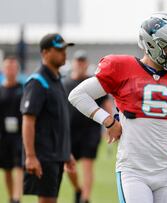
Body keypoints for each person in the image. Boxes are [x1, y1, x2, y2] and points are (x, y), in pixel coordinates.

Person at [68, 12, 167, 203]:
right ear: (152, 45)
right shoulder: (122, 68)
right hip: (134, 171)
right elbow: (77, 95)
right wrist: (109, 121)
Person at [20, 33, 76, 203]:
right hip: (43, 157)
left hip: (56, 155)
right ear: (44, 53)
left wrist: (66, 152)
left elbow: (58, 121)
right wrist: (30, 156)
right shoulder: (38, 82)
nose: (64, 53)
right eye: (59, 49)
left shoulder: (56, 80)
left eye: (65, 49)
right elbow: (28, 120)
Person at [63, 50, 112, 203]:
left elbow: (106, 104)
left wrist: (109, 126)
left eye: (83, 61)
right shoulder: (65, 83)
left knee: (87, 165)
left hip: (90, 130)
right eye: (78, 61)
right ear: (74, 63)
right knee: (68, 167)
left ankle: (85, 198)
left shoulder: (93, 83)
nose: (81, 64)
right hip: (70, 132)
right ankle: (78, 189)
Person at [0, 56, 24, 203]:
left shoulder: (23, 89)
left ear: (17, 70)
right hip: (3, 136)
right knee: (7, 170)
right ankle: (11, 198)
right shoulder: (0, 90)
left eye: (13, 67)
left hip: (20, 136)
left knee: (19, 167)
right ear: (3, 70)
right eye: (8, 67)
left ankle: (16, 198)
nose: (10, 70)